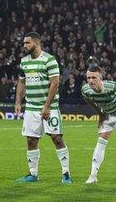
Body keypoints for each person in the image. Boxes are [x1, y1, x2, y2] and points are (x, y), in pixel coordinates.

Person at [14, 32, 72, 183]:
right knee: (31, 140)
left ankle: (66, 174)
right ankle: (33, 174)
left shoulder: (49, 60)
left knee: (57, 138)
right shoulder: (24, 61)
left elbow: (55, 83)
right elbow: (21, 82)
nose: (24, 46)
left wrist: (46, 107)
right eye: (24, 43)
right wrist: (18, 102)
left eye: (27, 43)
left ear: (36, 43)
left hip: (49, 107)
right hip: (31, 107)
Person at [82, 65, 116, 184]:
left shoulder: (112, 86)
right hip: (108, 113)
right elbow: (87, 99)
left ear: (100, 78)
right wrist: (100, 114)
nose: (91, 81)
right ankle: (93, 175)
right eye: (88, 78)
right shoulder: (85, 89)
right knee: (101, 141)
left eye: (94, 78)